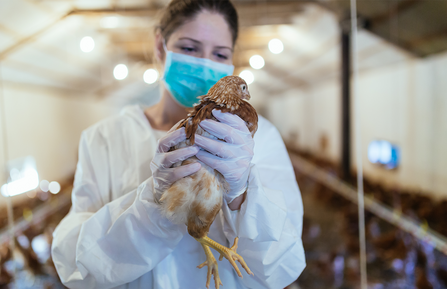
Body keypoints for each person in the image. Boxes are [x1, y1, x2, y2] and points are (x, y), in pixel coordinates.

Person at [51, 0, 306, 288]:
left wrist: (241, 198)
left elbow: (284, 264)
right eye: (189, 48)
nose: (205, 63)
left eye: (219, 53)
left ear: (231, 60)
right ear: (160, 47)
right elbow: (76, 265)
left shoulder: (261, 137)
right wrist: (151, 204)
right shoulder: (104, 139)